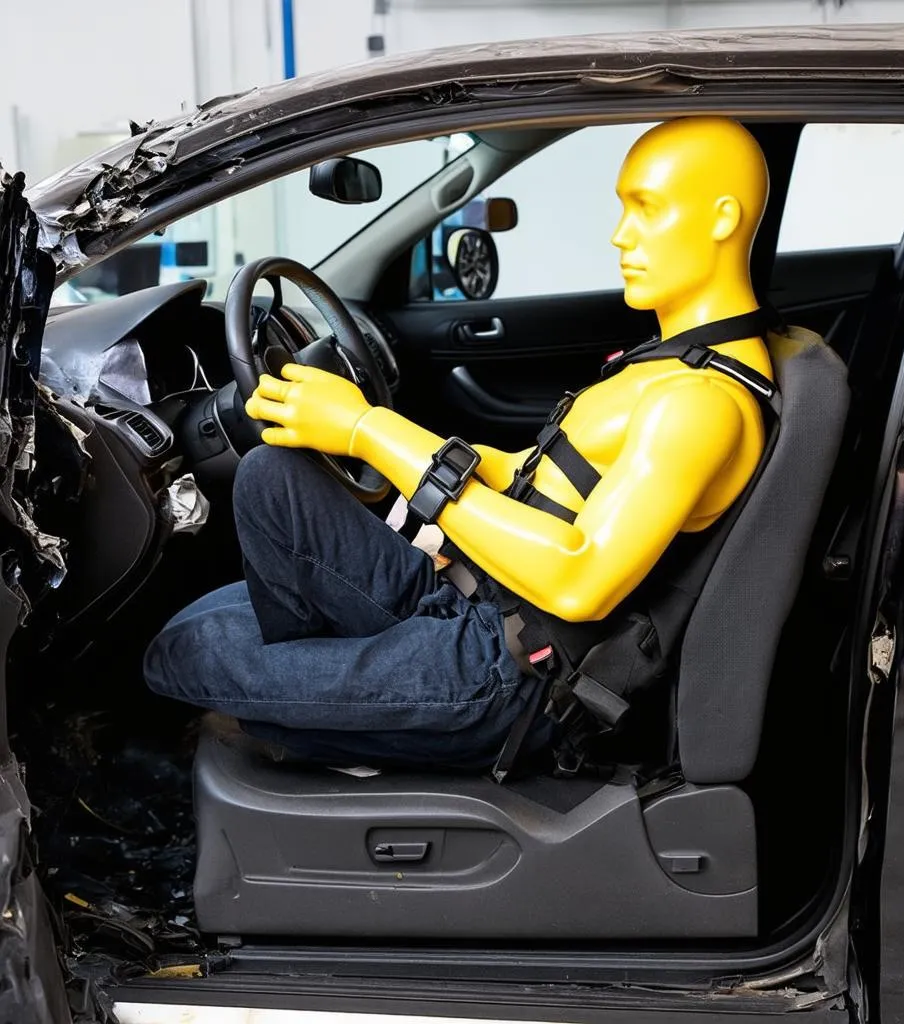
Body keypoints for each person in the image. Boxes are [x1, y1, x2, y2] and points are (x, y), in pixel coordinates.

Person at [144, 116, 774, 769]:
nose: (621, 235)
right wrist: (389, 450)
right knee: (272, 475)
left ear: (722, 218)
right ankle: (326, 696)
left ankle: (332, 727)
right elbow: (534, 474)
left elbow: (580, 578)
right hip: (482, 595)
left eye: (646, 210)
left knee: (181, 654)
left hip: (511, 671)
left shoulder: (699, 405)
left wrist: (368, 429)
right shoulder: (669, 366)